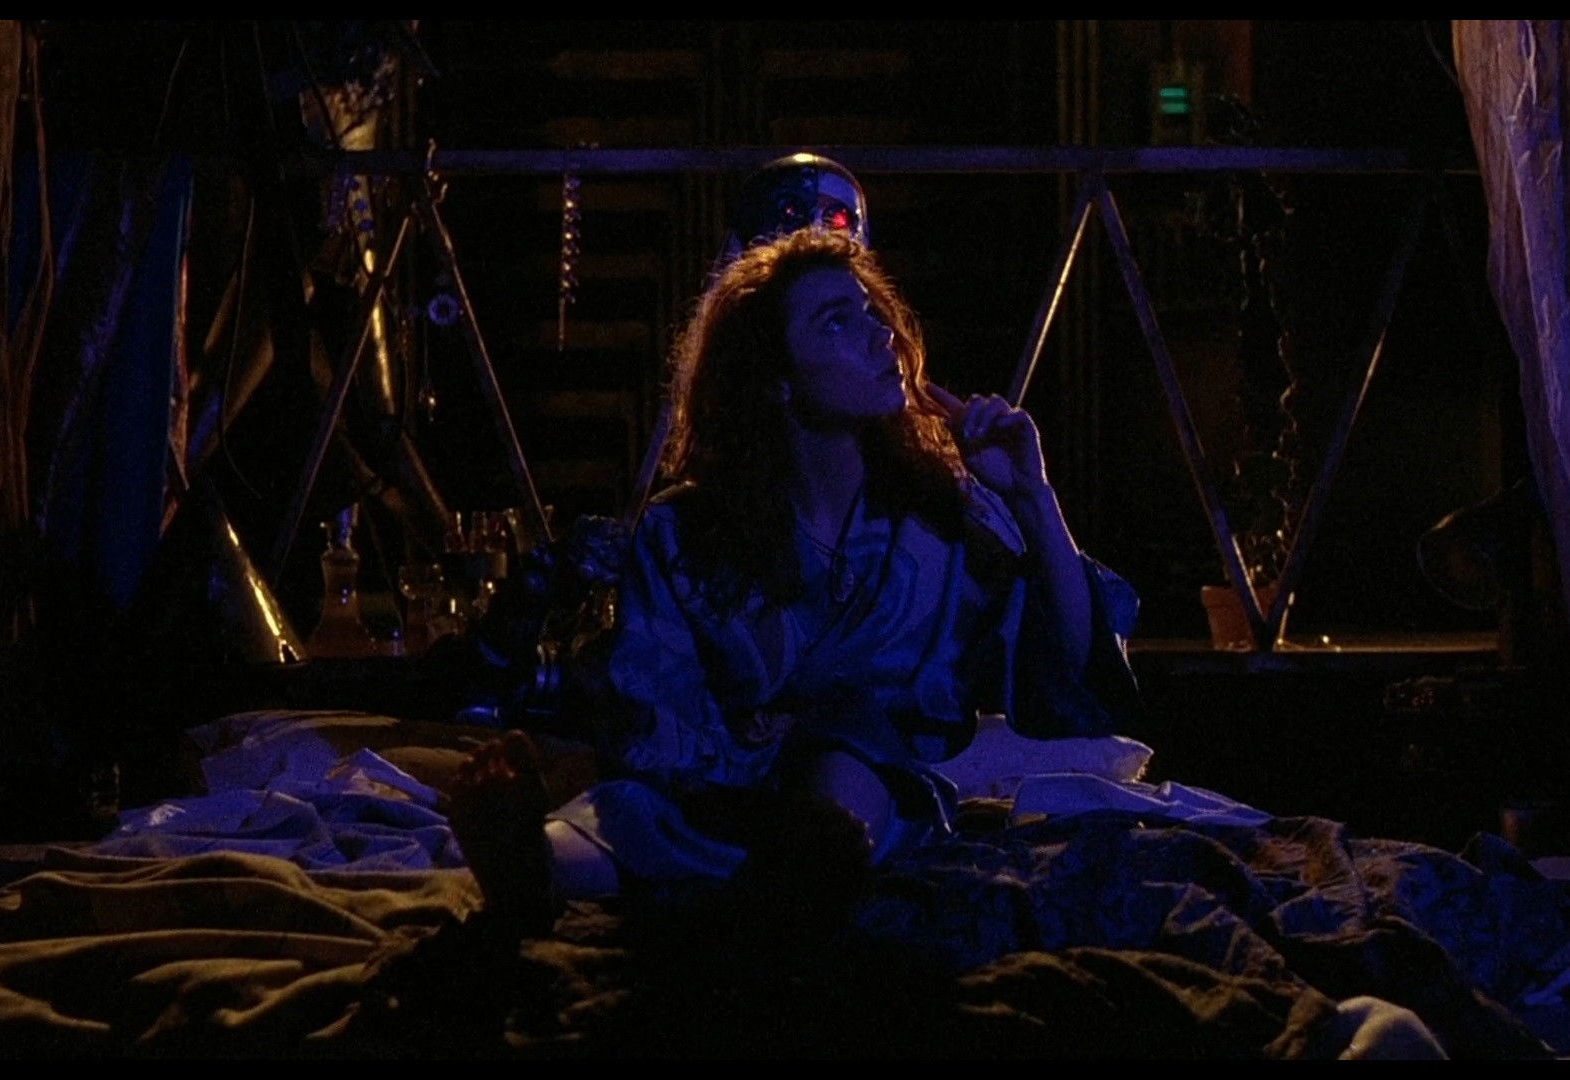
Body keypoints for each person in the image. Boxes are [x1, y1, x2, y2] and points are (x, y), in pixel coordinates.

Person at [451, 224, 1139, 928]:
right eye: (837, 321)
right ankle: (532, 867)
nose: (879, 335)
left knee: (850, 746)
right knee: (626, 811)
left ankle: (806, 865)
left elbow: (1069, 677)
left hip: (865, 799)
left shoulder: (941, 514)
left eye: (871, 312)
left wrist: (1032, 497)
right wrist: (748, 756)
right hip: (720, 790)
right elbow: (651, 710)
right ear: (775, 380)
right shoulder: (684, 530)